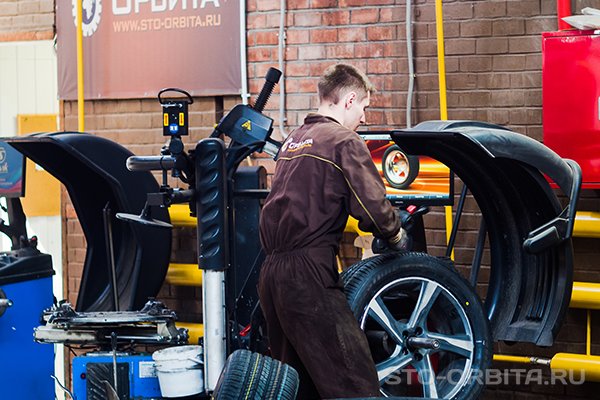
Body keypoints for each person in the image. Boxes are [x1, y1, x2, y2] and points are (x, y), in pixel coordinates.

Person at [258, 63, 409, 399]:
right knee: (352, 381)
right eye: (365, 108)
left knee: (297, 386)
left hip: (271, 276)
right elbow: (371, 206)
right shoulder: (342, 140)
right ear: (349, 100)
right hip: (307, 278)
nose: (365, 118)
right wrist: (396, 234)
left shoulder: (293, 141)